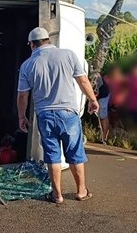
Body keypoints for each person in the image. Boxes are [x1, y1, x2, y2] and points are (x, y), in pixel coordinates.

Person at [17, 27, 99, 204]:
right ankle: (81, 191)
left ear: (31, 44)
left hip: (45, 115)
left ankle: (57, 195)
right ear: (48, 40)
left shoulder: (27, 65)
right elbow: (83, 81)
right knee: (75, 153)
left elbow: (23, 95)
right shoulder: (68, 55)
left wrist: (22, 117)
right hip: (68, 114)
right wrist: (92, 100)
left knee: (52, 155)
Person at [95, 72, 111, 143]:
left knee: (102, 116)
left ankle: (104, 138)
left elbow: (96, 90)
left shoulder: (95, 74)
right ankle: (101, 137)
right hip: (99, 94)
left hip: (103, 95)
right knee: (99, 115)